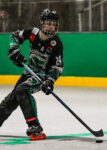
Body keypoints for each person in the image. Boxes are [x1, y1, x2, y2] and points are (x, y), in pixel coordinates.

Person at [0, 8, 63, 140]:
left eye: (53, 24)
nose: (51, 27)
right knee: (12, 99)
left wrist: (50, 81)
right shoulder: (33, 33)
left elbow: (57, 67)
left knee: (22, 90)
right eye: (48, 23)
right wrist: (14, 50)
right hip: (29, 72)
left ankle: (35, 126)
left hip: (41, 76)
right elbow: (15, 36)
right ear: (42, 23)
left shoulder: (56, 43)